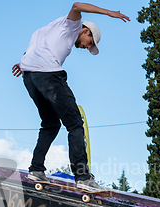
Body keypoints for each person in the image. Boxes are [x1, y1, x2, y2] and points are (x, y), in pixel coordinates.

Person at [12, 2, 129, 193]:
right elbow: (76, 6)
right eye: (89, 43)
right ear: (86, 31)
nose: (86, 47)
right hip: (48, 75)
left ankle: (36, 169)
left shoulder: (47, 29)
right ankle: (82, 177)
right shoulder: (72, 25)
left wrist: (22, 62)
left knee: (50, 124)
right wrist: (108, 13)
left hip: (30, 77)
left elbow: (35, 49)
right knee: (75, 123)